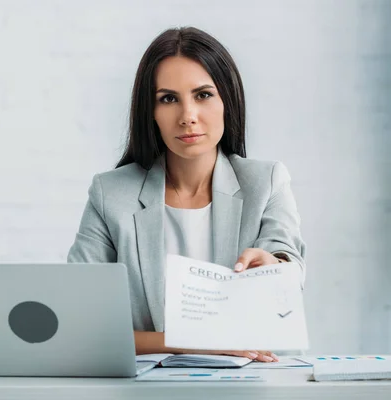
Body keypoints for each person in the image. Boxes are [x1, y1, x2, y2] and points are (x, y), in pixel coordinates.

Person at [67, 27, 306, 362]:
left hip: (249, 383)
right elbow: (79, 322)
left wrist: (275, 269)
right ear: (150, 112)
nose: (187, 117)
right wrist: (187, 342)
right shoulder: (111, 194)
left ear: (228, 101)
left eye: (203, 95)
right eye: (169, 99)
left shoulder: (265, 181)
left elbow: (286, 259)